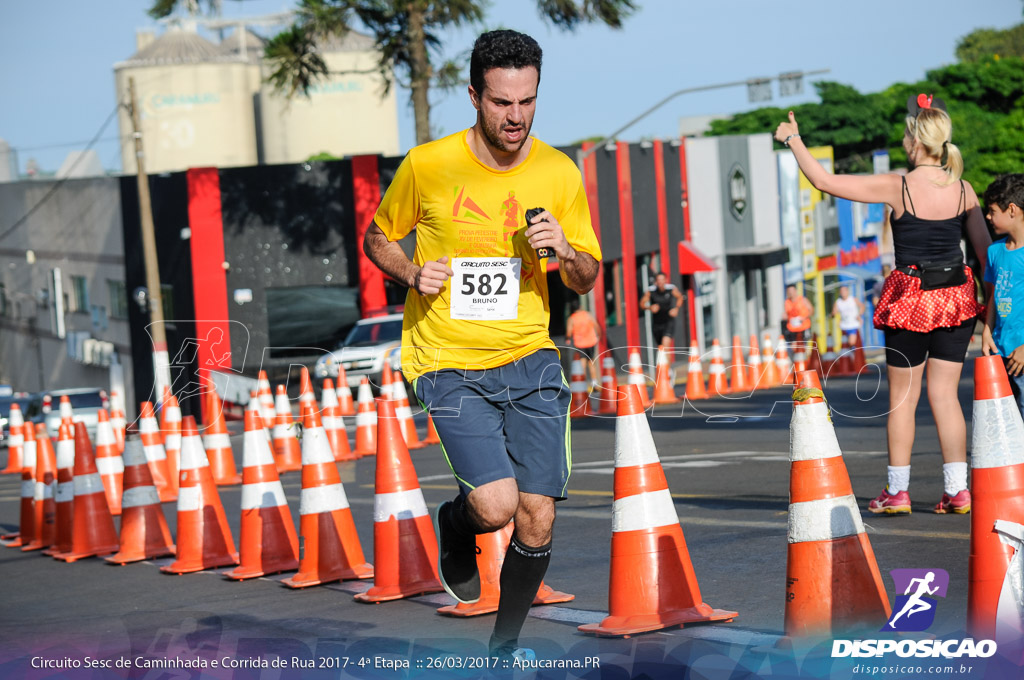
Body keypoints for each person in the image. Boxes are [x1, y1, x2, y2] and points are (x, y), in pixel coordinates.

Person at [362, 30, 602, 660]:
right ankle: (456, 522)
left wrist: (567, 250)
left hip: (529, 354)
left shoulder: (558, 171)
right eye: (501, 102)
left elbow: (586, 275)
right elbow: (378, 237)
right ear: (475, 96)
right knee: (495, 507)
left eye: (527, 101)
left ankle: (503, 649)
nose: (516, 116)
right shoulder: (428, 165)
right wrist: (412, 272)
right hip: (447, 357)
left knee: (539, 513)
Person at [774, 94, 991, 515]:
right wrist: (987, 315)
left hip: (911, 301)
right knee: (945, 397)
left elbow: (824, 181)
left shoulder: (899, 185)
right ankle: (957, 490)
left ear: (915, 142)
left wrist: (794, 140)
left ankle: (899, 491)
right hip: (955, 302)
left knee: (903, 399)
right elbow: (983, 256)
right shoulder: (964, 189)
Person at [981, 173, 1024, 420]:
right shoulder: (995, 251)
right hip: (1001, 350)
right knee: (1005, 418)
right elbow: (995, 294)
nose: (987, 217)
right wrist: (987, 330)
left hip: (1022, 352)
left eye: (992, 211)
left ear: (1012, 210)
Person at [640, 272, 683, 347]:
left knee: (665, 343)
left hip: (668, 321)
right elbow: (642, 304)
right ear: (656, 281)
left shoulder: (671, 289)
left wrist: (676, 309)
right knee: (661, 348)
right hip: (657, 324)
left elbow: (680, 297)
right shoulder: (651, 291)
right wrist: (650, 307)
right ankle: (667, 359)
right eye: (658, 280)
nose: (660, 282)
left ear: (665, 280)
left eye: (662, 280)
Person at [565, 299, 601, 385]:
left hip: (580, 344)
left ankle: (583, 383)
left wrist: (567, 338)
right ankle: (594, 382)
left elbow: (569, 332)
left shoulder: (572, 318)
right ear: (580, 307)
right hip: (591, 342)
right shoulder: (587, 315)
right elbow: (596, 325)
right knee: (591, 362)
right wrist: (599, 336)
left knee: (582, 364)